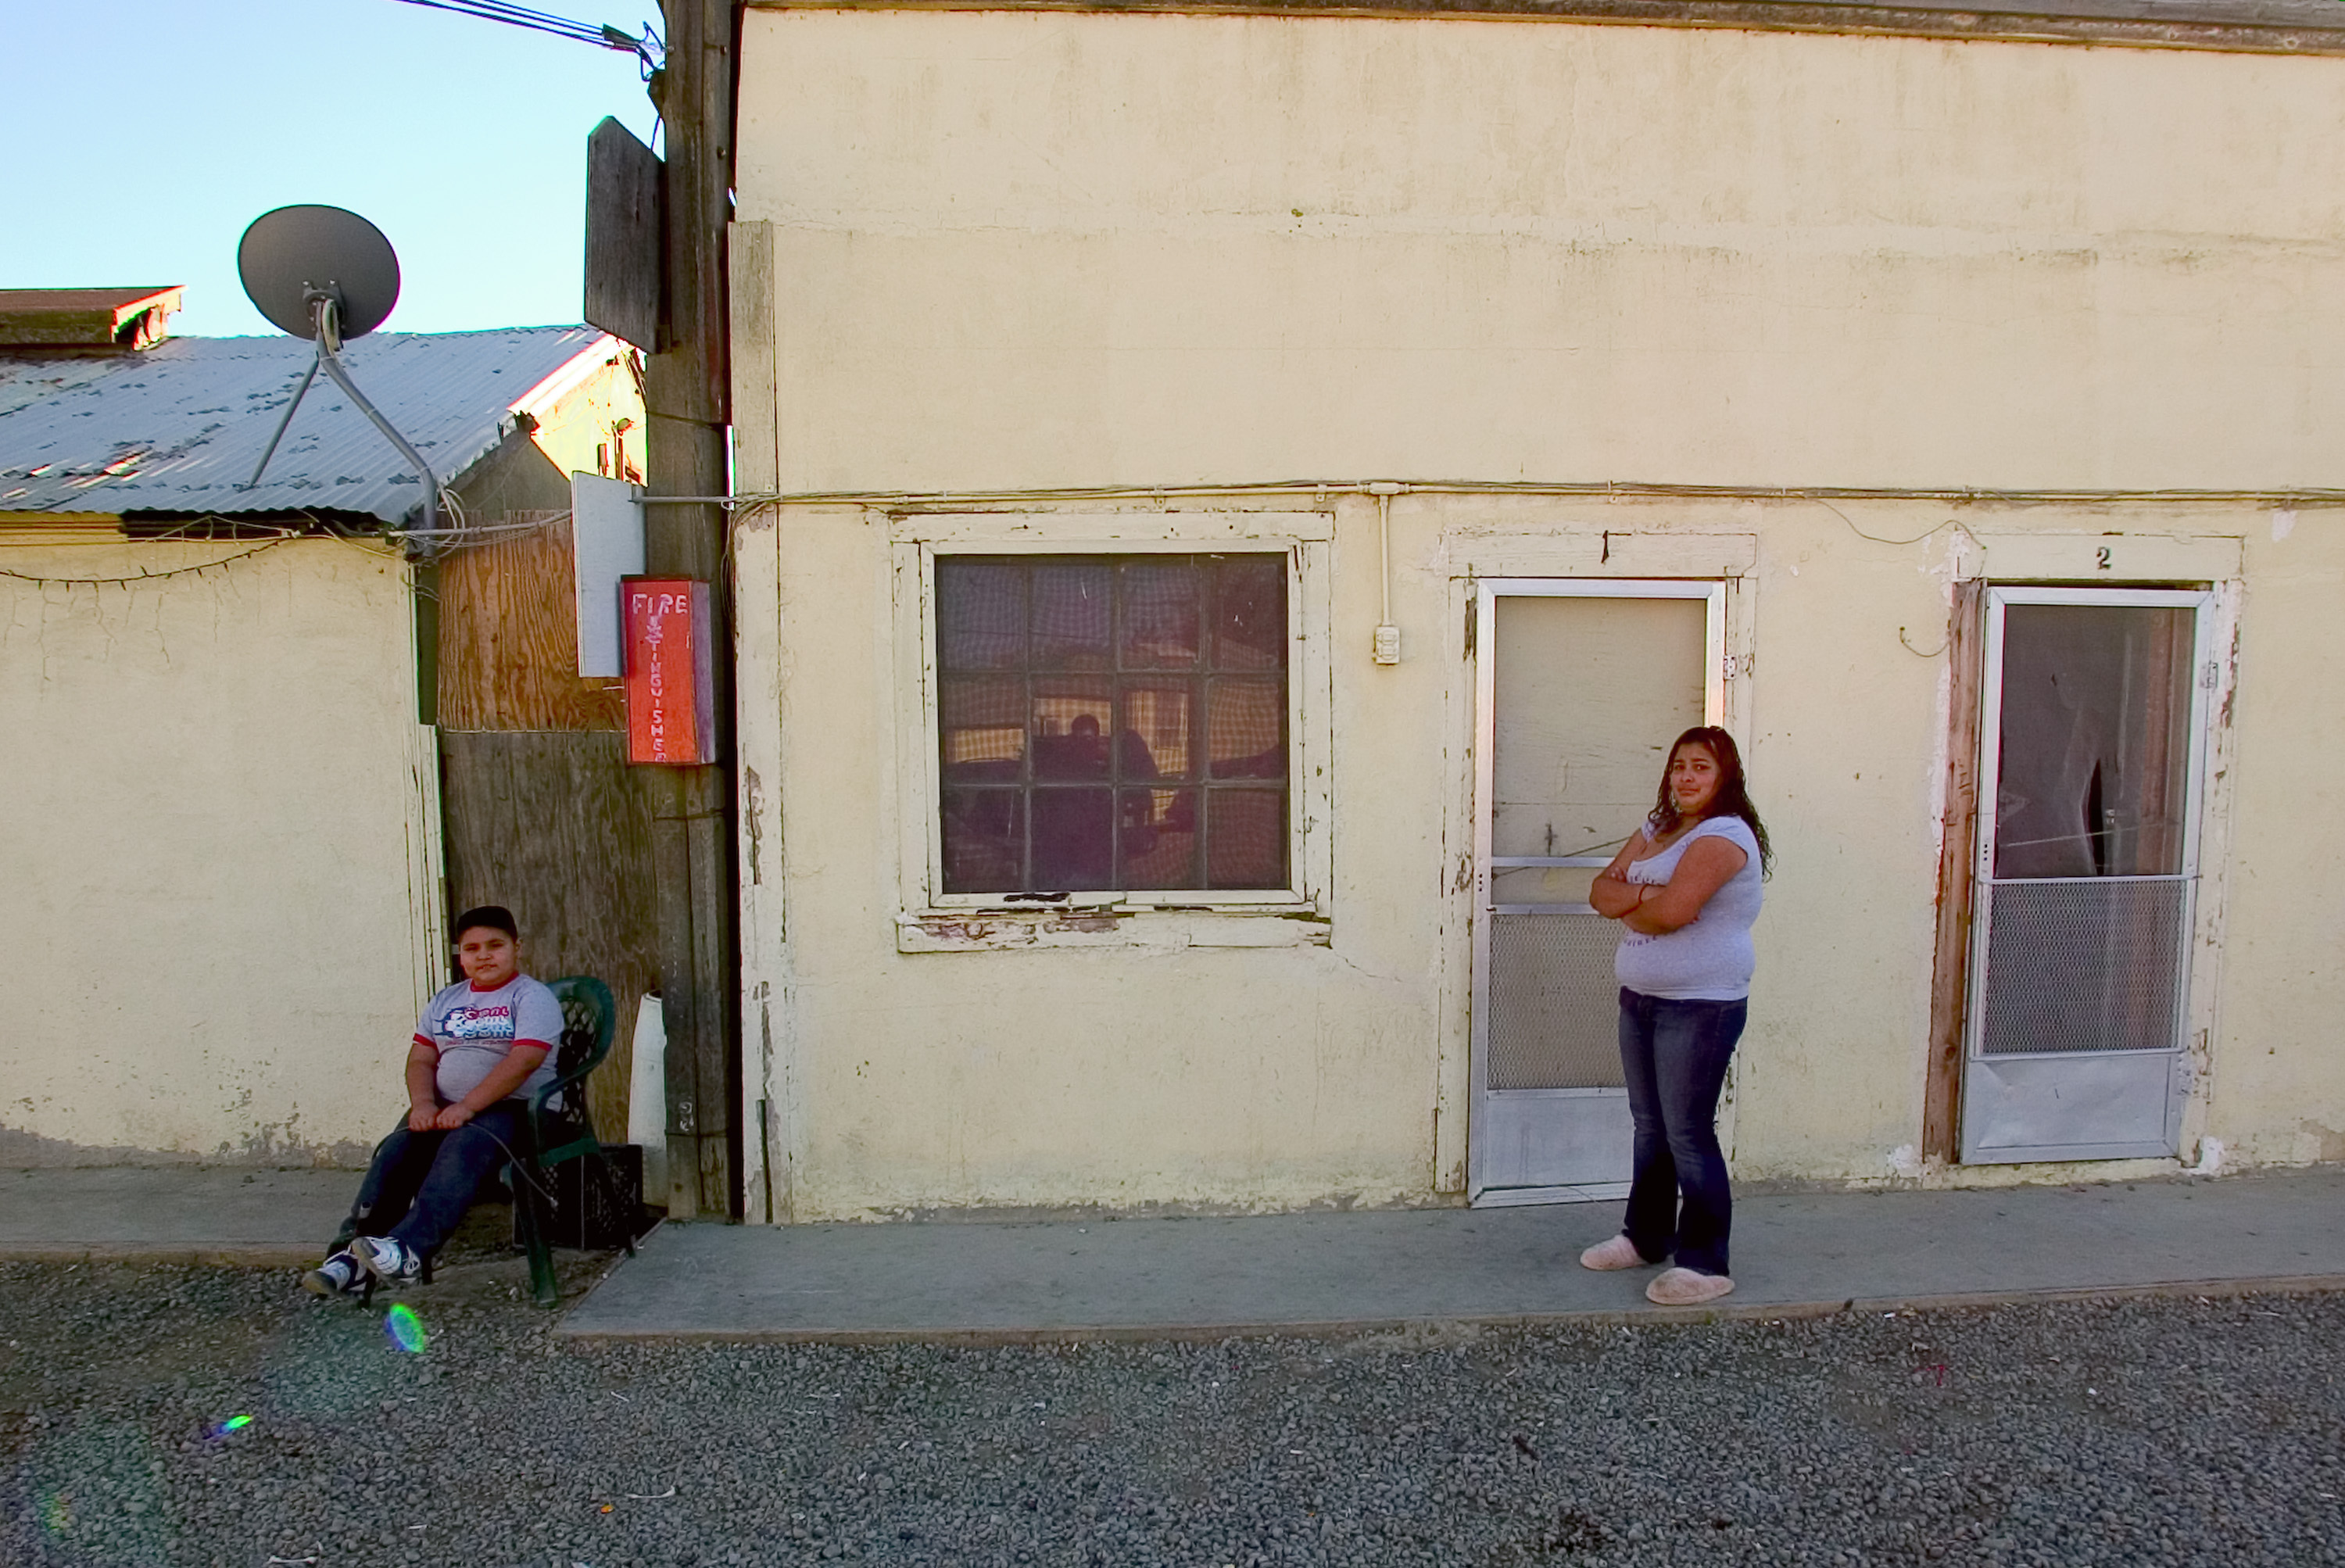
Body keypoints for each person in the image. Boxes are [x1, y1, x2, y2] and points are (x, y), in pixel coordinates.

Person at [1579, 726, 1771, 1306]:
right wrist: (1648, 904)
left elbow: (1678, 910)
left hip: (1702, 1005)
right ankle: (1645, 1238)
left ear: (1724, 777)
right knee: (1650, 1127)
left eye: (1701, 768)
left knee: (1688, 1133)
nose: (1686, 778)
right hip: (1640, 998)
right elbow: (1598, 892)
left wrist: (1639, 903)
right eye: (1679, 766)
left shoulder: (1724, 836)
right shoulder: (1660, 828)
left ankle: (1706, 1262)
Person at [303, 906, 564, 1296]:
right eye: (472, 948)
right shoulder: (446, 1000)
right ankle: (353, 1259)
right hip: (448, 1110)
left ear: (518, 948)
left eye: (496, 945)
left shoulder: (531, 997)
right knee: (396, 1149)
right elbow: (421, 1058)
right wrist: (423, 1103)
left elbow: (524, 1059)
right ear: (460, 954)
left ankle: (408, 1250)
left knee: (466, 1143)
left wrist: (469, 1106)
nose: (484, 955)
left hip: (520, 1111)